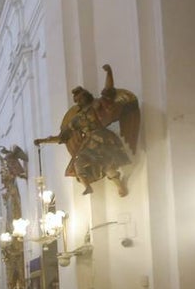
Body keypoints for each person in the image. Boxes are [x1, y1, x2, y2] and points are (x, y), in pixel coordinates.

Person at [36, 64, 140, 196]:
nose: (79, 99)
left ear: (87, 96)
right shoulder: (76, 119)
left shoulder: (96, 105)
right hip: (89, 143)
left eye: (81, 96)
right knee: (78, 163)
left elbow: (108, 91)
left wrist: (109, 73)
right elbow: (64, 136)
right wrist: (44, 140)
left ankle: (119, 186)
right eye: (77, 99)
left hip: (103, 138)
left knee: (107, 165)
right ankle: (87, 186)